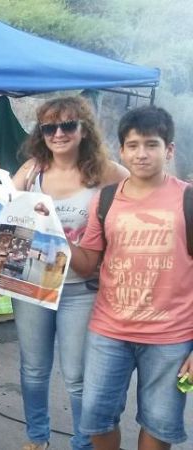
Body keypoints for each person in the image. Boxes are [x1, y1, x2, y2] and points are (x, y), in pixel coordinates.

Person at [0, 96, 128, 450]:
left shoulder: (106, 172)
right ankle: (37, 438)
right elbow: (1, 208)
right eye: (49, 127)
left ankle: (83, 443)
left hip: (82, 289)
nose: (58, 133)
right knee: (33, 370)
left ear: (84, 130)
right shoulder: (33, 170)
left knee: (77, 377)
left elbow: (143, 191)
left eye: (67, 125)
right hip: (32, 285)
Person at [69, 106, 192, 450]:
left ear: (169, 150)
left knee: (160, 424)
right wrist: (54, 240)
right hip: (109, 331)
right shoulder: (105, 200)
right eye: (133, 145)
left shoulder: (188, 199)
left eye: (151, 145)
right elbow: (87, 262)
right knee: (95, 418)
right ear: (121, 151)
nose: (141, 154)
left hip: (172, 336)